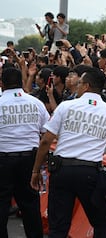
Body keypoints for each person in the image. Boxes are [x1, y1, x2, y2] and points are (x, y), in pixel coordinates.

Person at [30, 67, 106, 237]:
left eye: (80, 82)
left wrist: (36, 170)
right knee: (102, 223)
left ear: (86, 86)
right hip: (90, 174)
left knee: (58, 227)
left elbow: (46, 140)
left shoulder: (66, 106)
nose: (78, 86)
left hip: (61, 171)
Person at [0, 67, 50, 238]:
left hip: (3, 160)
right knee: (30, 205)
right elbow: (47, 132)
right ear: (21, 82)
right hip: (30, 160)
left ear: (1, 83)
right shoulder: (36, 103)